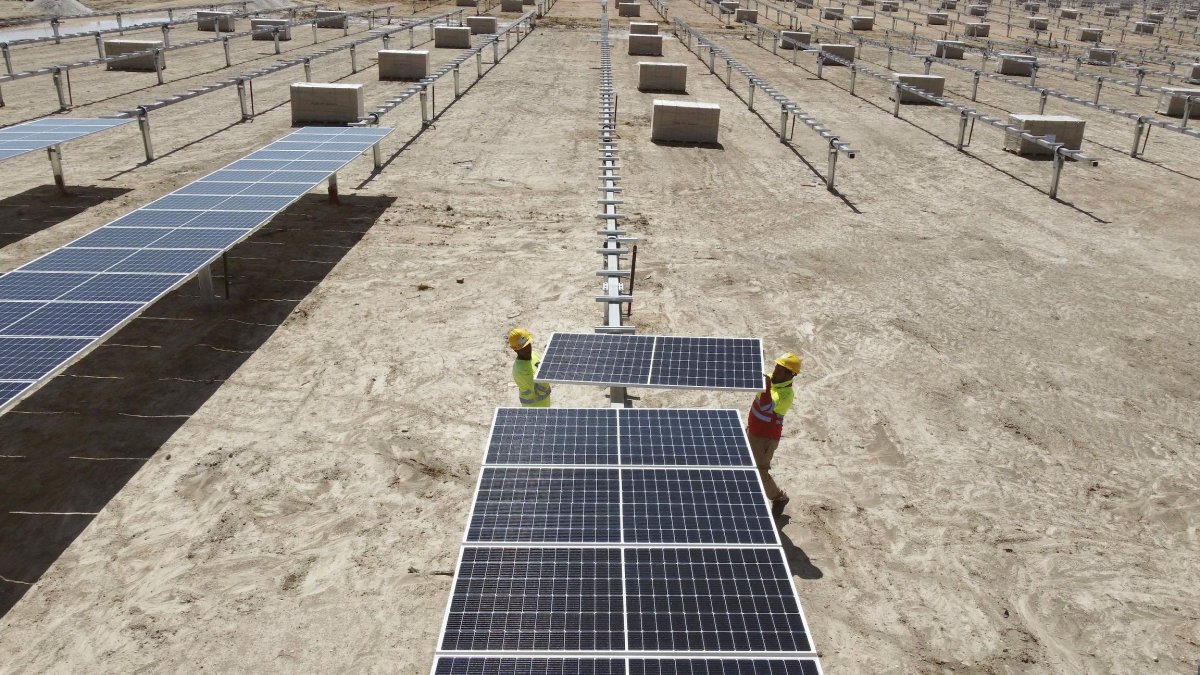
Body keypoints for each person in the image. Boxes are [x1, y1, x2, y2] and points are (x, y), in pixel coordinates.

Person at [747, 352, 801, 515]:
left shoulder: (786, 395)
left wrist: (767, 384)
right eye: (776, 367)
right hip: (753, 430)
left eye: (780, 370)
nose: (775, 371)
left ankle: (779, 497)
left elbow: (765, 406)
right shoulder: (772, 379)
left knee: (759, 471)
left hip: (765, 440)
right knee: (744, 461)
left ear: (789, 375)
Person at [508, 328, 552, 407]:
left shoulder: (534, 354)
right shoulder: (520, 370)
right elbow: (539, 389)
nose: (527, 349)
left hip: (545, 402)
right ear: (516, 350)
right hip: (533, 406)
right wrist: (546, 372)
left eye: (528, 345)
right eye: (523, 349)